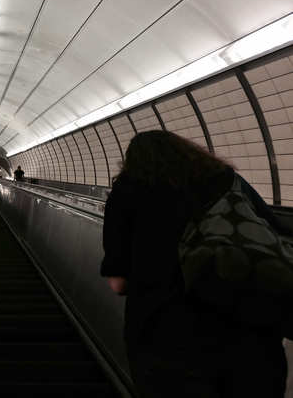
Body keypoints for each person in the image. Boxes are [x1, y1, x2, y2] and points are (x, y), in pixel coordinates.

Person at [101, 130, 286, 398]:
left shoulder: (128, 191)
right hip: (253, 339)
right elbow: (273, 239)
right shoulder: (229, 182)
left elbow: (119, 283)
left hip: (167, 342)